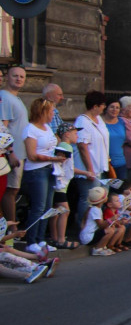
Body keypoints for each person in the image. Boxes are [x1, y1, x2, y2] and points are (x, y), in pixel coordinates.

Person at [21, 98, 62, 255]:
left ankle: (41, 239)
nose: (53, 114)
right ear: (43, 112)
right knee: (38, 207)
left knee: (47, 207)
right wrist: (53, 158)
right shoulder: (31, 129)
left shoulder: (47, 128)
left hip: (50, 169)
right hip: (37, 170)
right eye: (51, 111)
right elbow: (32, 155)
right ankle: (31, 241)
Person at [73, 91, 111, 226]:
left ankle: (95, 226)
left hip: (101, 165)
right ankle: (83, 227)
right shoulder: (82, 121)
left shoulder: (99, 119)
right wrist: (89, 169)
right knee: (88, 198)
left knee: (101, 198)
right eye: (102, 105)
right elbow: (82, 146)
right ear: (95, 106)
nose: (104, 107)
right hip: (90, 168)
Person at [0, 66, 27, 223]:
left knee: (13, 190)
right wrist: (11, 152)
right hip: (12, 153)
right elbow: (3, 127)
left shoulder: (15, 97)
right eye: (15, 76)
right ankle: (11, 228)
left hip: (19, 152)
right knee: (9, 191)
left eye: (22, 76)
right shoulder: (4, 97)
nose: (18, 79)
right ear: (7, 78)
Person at [103, 99, 128, 181]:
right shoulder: (100, 123)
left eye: (117, 108)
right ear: (106, 108)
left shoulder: (123, 122)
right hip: (105, 163)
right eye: (112, 107)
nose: (115, 110)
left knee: (121, 190)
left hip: (121, 162)